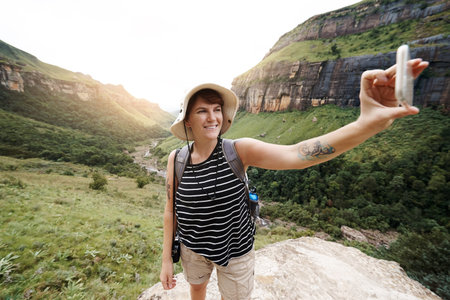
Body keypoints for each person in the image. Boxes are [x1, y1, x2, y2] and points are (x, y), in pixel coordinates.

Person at [159, 58, 429, 300]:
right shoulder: (177, 159)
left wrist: (364, 125)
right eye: (202, 111)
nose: (213, 117)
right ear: (188, 122)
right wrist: (166, 261)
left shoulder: (238, 151)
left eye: (217, 109)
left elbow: (298, 155)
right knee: (196, 290)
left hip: (236, 251)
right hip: (192, 249)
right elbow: (171, 211)